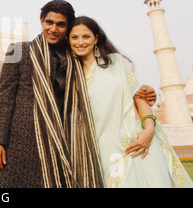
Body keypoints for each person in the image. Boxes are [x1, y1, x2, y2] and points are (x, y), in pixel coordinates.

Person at [0, 0, 157, 188]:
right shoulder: (18, 50)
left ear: (67, 28)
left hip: (65, 141)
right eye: (49, 22)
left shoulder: (75, 54)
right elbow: (3, 97)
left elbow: (106, 78)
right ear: (42, 20)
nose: (54, 29)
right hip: (22, 142)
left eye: (61, 24)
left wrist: (142, 92)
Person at [68, 16, 193, 188]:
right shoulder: (69, 76)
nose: (80, 42)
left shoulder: (118, 63)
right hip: (105, 149)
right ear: (68, 40)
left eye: (86, 36)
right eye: (74, 37)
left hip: (140, 142)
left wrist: (149, 129)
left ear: (96, 38)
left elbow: (139, 98)